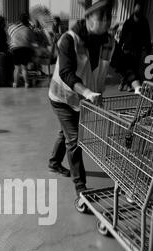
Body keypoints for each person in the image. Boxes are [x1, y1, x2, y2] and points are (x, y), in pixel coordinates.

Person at [48, 0, 142, 196]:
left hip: (84, 100)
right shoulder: (69, 39)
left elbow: (123, 65)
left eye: (108, 17)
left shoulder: (108, 42)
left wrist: (136, 86)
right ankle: (81, 188)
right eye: (101, 18)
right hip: (63, 97)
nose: (106, 22)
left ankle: (54, 163)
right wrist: (87, 92)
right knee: (74, 139)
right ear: (88, 18)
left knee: (66, 132)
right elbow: (66, 72)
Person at [118, 1, 151, 92]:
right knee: (127, 67)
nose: (138, 9)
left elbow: (147, 35)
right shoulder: (128, 22)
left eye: (139, 8)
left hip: (138, 49)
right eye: (137, 8)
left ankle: (129, 84)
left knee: (134, 68)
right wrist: (119, 47)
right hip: (127, 48)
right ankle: (126, 83)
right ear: (134, 9)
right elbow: (123, 35)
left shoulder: (144, 22)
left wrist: (148, 48)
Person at [8, 13, 35, 88]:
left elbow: (9, 34)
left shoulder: (13, 27)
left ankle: (15, 84)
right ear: (27, 20)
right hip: (25, 49)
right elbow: (32, 41)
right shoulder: (28, 29)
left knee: (16, 67)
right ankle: (27, 84)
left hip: (15, 49)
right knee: (24, 67)